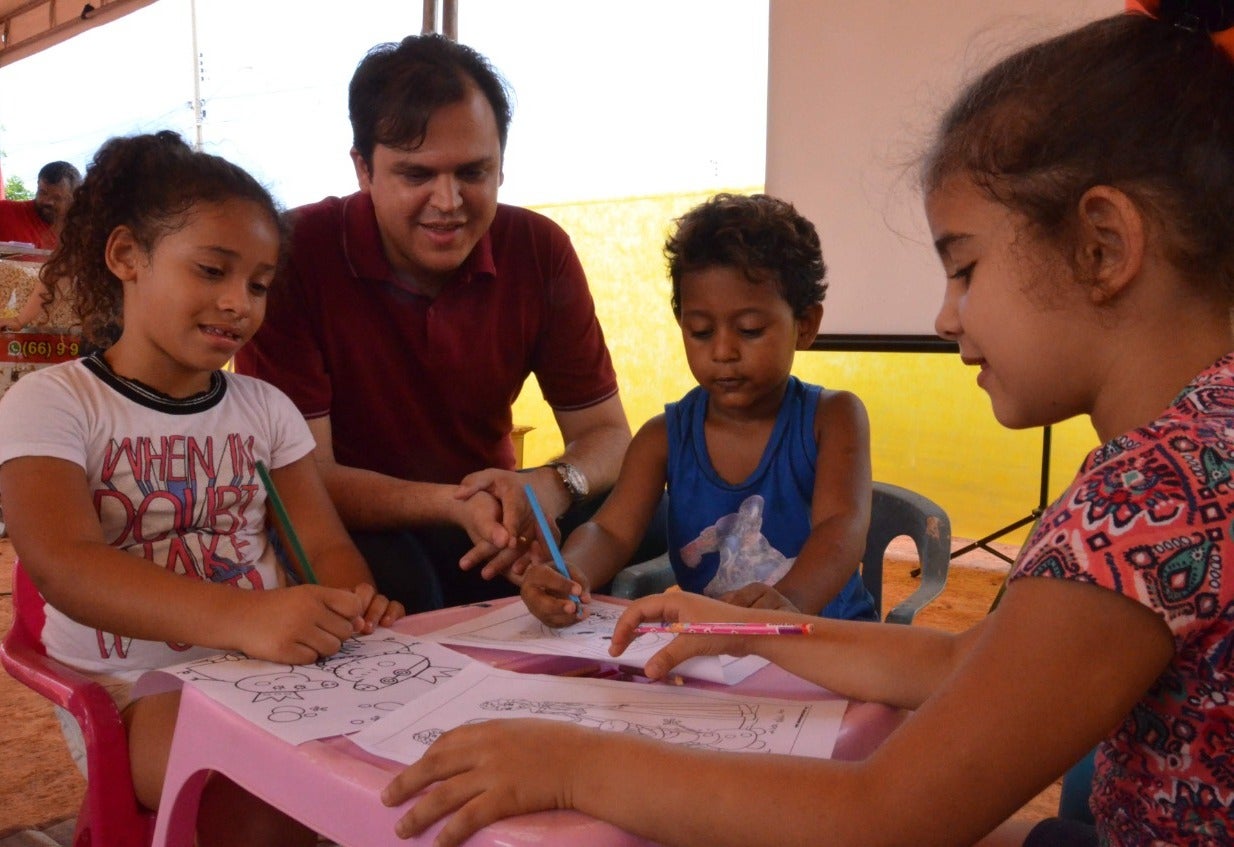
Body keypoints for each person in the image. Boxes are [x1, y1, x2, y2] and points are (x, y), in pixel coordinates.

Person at [382, 5, 1234, 846]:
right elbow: (952, 661)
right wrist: (740, 624)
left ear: (1102, 246)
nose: (944, 317)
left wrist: (569, 764)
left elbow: (883, 814)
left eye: (965, 269)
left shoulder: (1148, 497)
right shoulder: (1204, 448)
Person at [0, 131, 404, 847]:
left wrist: (350, 602)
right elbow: (65, 564)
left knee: (402, 768)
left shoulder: (264, 409)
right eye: (212, 270)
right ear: (126, 256)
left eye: (257, 284)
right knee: (266, 795)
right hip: (126, 693)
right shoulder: (52, 403)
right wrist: (245, 619)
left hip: (270, 669)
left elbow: (322, 544)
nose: (237, 303)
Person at [234, 34, 652, 612]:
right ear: (363, 169)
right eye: (416, 175)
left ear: (502, 165)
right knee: (402, 580)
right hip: (359, 527)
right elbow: (302, 478)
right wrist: (456, 504)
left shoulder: (538, 248)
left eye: (473, 172)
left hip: (488, 519)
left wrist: (547, 489)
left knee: (655, 512)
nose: (449, 201)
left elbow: (608, 435)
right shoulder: (293, 254)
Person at [520, 193, 876, 627]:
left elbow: (841, 528)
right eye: (701, 331)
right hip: (718, 653)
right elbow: (610, 531)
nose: (723, 351)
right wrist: (571, 571)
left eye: (750, 330)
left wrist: (789, 602)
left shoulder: (834, 419)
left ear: (805, 324)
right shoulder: (662, 438)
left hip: (827, 642)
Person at [0, 160, 81, 251]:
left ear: (73, 198)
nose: (48, 201)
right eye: (43, 193)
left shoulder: (82, 231)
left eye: (57, 197)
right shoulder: (5, 211)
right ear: (38, 185)